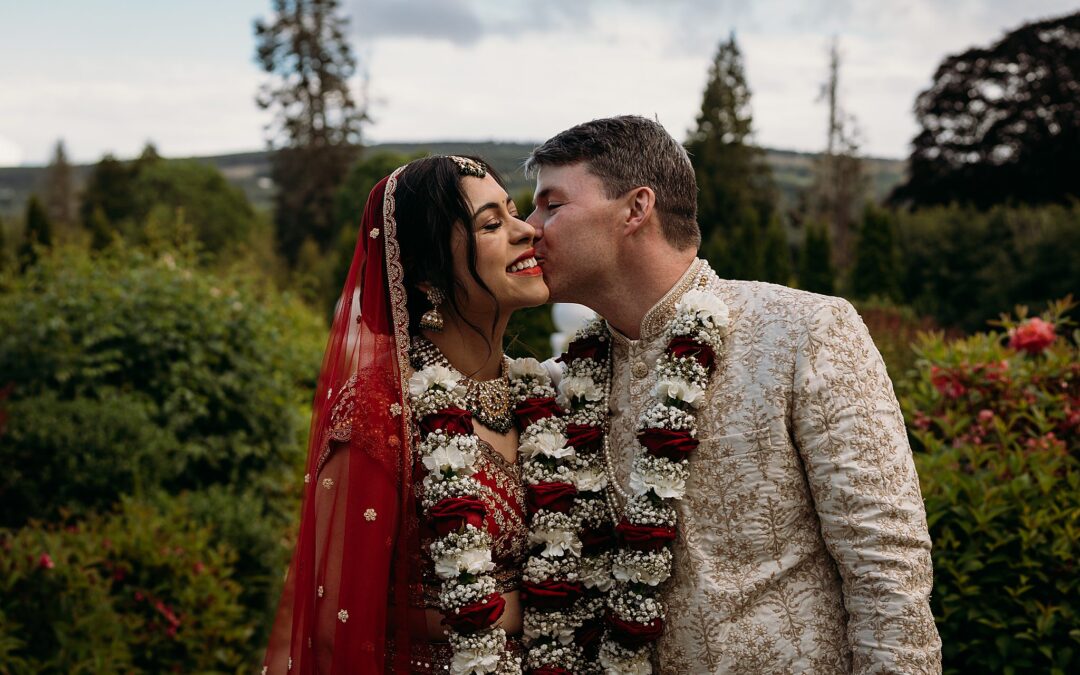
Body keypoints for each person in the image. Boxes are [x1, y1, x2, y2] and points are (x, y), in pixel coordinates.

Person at [525, 116, 942, 673]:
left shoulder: (804, 331)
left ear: (635, 209)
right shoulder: (561, 381)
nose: (530, 228)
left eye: (551, 205)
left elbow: (886, 560)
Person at [262, 155, 548, 673]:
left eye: (513, 211)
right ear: (425, 277)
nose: (526, 230)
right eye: (491, 223)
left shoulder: (542, 397)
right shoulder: (377, 412)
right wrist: (528, 609)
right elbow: (334, 622)